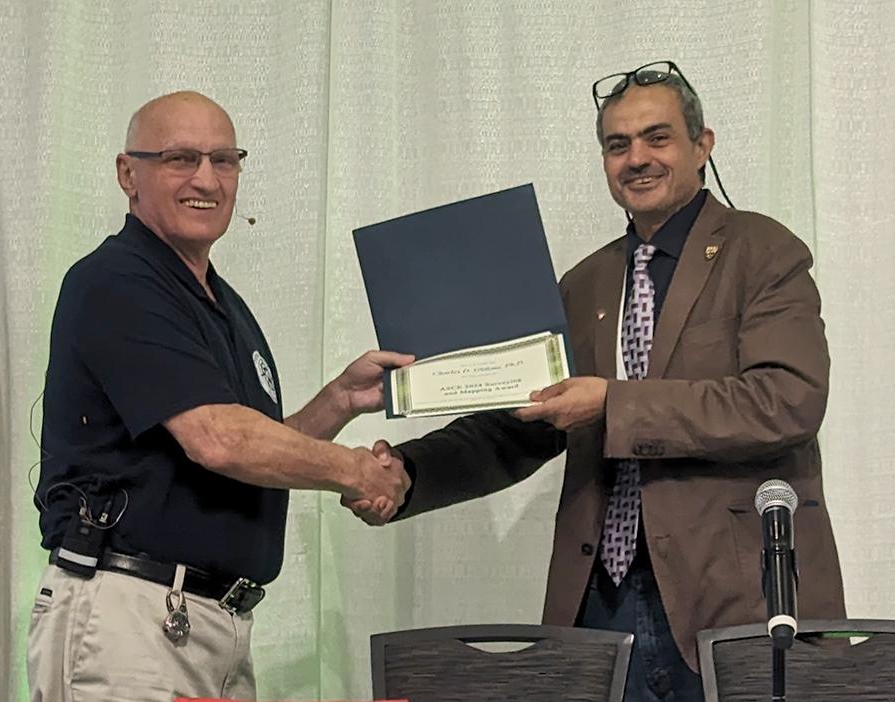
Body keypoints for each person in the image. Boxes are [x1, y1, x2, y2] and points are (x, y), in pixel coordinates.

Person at [346, 63, 846, 701]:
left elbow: (787, 400)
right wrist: (406, 474)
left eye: (657, 138)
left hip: (731, 603)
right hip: (601, 605)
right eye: (617, 145)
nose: (636, 158)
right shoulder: (583, 285)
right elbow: (516, 429)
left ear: (703, 145)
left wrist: (613, 403)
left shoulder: (764, 252)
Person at [28, 90, 411, 702]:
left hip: (209, 621)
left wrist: (339, 400)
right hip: (133, 618)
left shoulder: (221, 304)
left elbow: (252, 455)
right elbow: (219, 440)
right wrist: (359, 471)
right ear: (129, 174)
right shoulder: (117, 280)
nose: (206, 178)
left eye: (224, 160)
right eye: (180, 158)